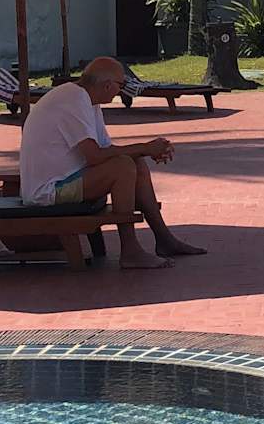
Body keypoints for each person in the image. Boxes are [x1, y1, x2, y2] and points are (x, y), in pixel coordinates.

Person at [19, 55, 205, 271]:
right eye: (121, 85)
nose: (120, 91)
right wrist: (145, 147)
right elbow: (95, 156)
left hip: (68, 179)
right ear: (107, 85)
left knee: (134, 162)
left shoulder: (87, 100)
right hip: (48, 191)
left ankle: (164, 238)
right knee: (123, 167)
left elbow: (107, 150)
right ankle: (130, 251)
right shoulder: (74, 99)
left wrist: (143, 152)